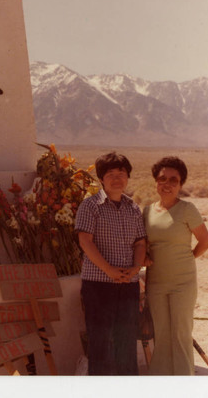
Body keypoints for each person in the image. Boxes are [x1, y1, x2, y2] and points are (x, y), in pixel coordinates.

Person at [75, 152, 147, 375]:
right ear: (101, 179)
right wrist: (110, 271)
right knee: (100, 344)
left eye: (121, 174)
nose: (117, 179)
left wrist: (136, 268)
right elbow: (85, 241)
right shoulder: (90, 206)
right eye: (111, 174)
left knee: (126, 343)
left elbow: (140, 242)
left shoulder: (133, 208)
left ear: (128, 177)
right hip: (98, 285)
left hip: (128, 285)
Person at [143, 156, 208, 375]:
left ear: (180, 184)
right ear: (156, 181)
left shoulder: (187, 209)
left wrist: (189, 257)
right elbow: (143, 245)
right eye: (162, 178)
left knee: (181, 334)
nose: (167, 183)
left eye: (174, 179)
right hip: (156, 283)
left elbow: (205, 241)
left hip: (183, 282)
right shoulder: (147, 212)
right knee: (161, 335)